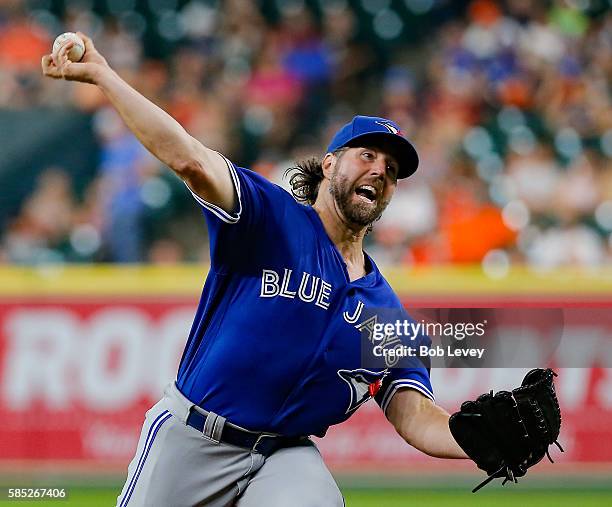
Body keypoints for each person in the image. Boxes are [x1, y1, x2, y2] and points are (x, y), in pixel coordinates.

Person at [42, 33, 467, 507]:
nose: (380, 172)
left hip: (285, 456)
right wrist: (103, 75)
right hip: (195, 438)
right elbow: (188, 157)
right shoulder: (270, 218)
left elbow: (413, 412)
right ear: (329, 164)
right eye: (366, 156)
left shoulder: (384, 310)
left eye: (391, 170)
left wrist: (473, 438)